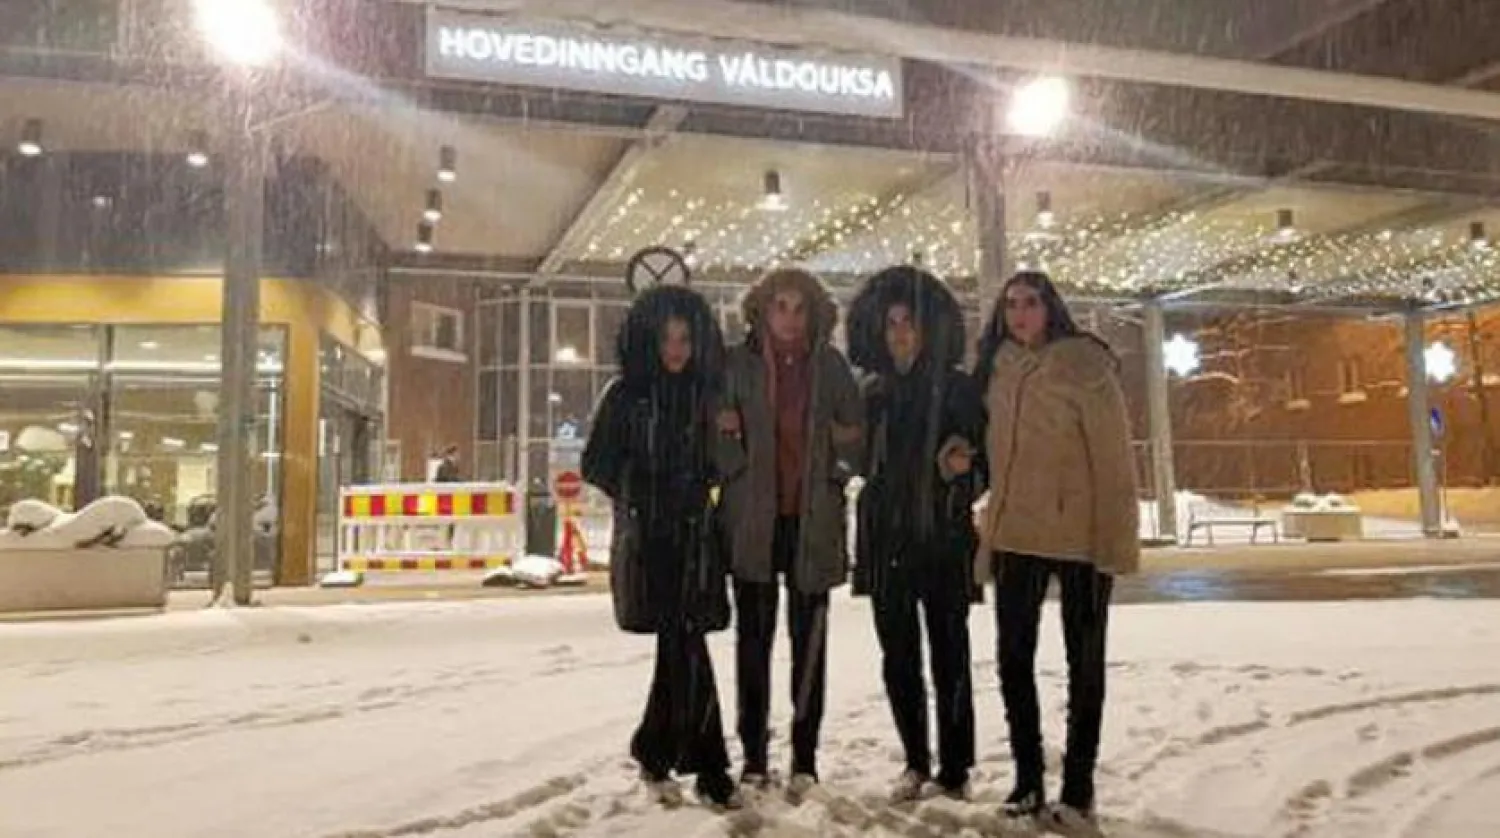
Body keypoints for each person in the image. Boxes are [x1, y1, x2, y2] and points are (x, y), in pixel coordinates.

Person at [973, 271, 1140, 830]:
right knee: (1013, 660)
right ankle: (1027, 778)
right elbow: (984, 443)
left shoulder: (1084, 366)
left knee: (1083, 664)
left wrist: (1115, 542)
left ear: (1051, 309)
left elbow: (1115, 459)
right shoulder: (996, 368)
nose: (1019, 313)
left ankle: (1078, 787)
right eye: (1011, 304)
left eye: (1031, 303)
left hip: (1082, 539)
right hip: (1017, 533)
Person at [581, 285, 742, 810]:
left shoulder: (709, 395)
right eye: (667, 338)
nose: (676, 349)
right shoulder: (624, 396)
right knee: (683, 644)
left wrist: (725, 436)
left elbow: (729, 464)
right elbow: (596, 464)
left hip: (695, 538)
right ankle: (707, 766)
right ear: (648, 341)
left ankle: (660, 749)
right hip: (651, 540)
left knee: (682, 643)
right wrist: (641, 493)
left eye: (685, 339)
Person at [716, 267, 863, 800]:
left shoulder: (831, 367)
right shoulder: (737, 365)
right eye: (781, 306)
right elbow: (714, 429)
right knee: (752, 644)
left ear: (815, 312)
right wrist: (731, 459)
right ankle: (754, 756)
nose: (790, 318)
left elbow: (856, 436)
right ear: (762, 309)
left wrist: (837, 471)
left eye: (800, 308)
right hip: (753, 522)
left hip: (812, 522)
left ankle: (805, 756)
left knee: (811, 646)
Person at [848, 265, 984, 802]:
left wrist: (961, 473)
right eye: (891, 323)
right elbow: (859, 460)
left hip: (942, 536)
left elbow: (982, 460)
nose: (899, 332)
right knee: (898, 655)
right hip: (886, 540)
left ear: (929, 328)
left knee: (951, 653)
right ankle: (915, 760)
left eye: (908, 322)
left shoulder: (957, 387)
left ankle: (954, 767)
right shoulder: (872, 390)